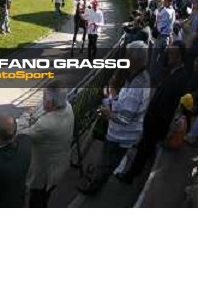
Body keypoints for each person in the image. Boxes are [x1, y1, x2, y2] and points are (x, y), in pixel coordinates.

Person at [78, 41, 151, 195]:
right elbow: (124, 102)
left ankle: (93, 188)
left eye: (127, 55)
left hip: (121, 136)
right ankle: (96, 179)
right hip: (121, 133)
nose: (124, 57)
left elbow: (125, 119)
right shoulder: (138, 76)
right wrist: (110, 101)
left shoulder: (137, 86)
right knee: (106, 160)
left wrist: (107, 113)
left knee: (107, 163)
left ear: (134, 60)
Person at [119, 41, 189, 183]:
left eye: (172, 53)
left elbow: (168, 104)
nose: (168, 56)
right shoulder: (174, 72)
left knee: (144, 149)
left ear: (180, 57)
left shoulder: (180, 77)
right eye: (168, 52)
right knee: (145, 147)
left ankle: (130, 176)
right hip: (154, 120)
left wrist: (154, 121)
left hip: (157, 122)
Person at [20, 84, 74, 208]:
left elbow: (21, 134)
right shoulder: (67, 107)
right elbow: (41, 110)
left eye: (43, 97)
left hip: (44, 174)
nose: (42, 100)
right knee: (44, 197)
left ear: (50, 103)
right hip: (59, 165)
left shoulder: (46, 125)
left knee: (37, 201)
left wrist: (25, 116)